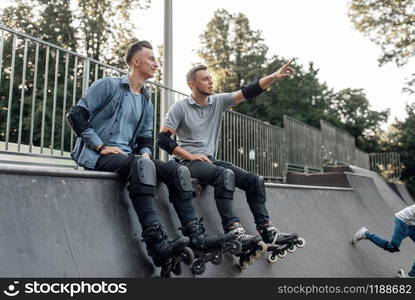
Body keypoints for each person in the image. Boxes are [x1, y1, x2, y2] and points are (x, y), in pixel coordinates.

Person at [66, 41, 233, 274]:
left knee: (178, 171)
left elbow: (145, 139)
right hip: (97, 156)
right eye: (151, 59)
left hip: (129, 158)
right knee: (142, 165)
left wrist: (145, 156)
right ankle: (157, 244)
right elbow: (76, 114)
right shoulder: (108, 85)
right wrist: (100, 145)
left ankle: (197, 236)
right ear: (136, 61)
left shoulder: (146, 100)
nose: (156, 64)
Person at [157, 61, 302, 266]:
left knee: (254, 180)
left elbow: (247, 91)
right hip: (187, 163)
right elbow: (163, 139)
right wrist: (190, 156)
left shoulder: (218, 101)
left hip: (211, 161)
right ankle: (234, 231)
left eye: (211, 78)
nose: (211, 82)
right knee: (224, 175)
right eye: (205, 79)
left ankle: (267, 230)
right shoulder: (179, 108)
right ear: (191, 84)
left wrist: (274, 76)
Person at [352, 204, 415, 278]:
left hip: (412, 224)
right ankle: (365, 234)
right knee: (392, 247)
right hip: (403, 221)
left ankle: (411, 275)